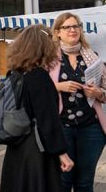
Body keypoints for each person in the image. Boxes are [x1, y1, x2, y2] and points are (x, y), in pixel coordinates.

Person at [0, 24, 73, 191]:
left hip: (17, 146)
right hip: (37, 150)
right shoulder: (39, 76)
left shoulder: (15, 73)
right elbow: (47, 120)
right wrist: (62, 153)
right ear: (43, 47)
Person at [50, 12, 106, 191]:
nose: (73, 30)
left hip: (91, 128)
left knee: (85, 181)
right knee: (63, 180)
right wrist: (59, 86)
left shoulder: (93, 57)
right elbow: (36, 91)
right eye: (67, 27)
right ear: (58, 32)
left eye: (76, 26)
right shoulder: (48, 58)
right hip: (61, 126)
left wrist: (97, 92)